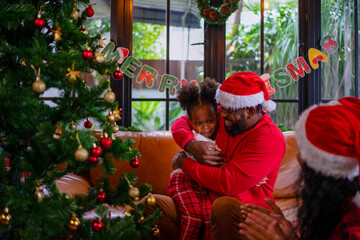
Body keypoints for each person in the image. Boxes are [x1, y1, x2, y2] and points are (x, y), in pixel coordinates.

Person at [144, 72, 286, 240]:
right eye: (222, 108)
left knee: (223, 206)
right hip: (204, 200)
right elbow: (182, 123)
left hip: (245, 212)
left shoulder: (270, 139)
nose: (222, 114)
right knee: (151, 205)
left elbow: (226, 182)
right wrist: (192, 145)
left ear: (251, 110)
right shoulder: (228, 118)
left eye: (228, 111)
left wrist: (184, 162)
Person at [239, 97, 360, 239]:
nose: (298, 158)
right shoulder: (332, 206)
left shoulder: (352, 227)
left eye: (304, 151)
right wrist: (291, 235)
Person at [167, 78, 219, 240]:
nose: (205, 128)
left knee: (210, 220)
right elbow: (177, 126)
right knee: (193, 219)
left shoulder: (224, 129)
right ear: (191, 122)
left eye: (210, 121)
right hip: (184, 180)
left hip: (205, 185)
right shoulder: (192, 134)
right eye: (199, 123)